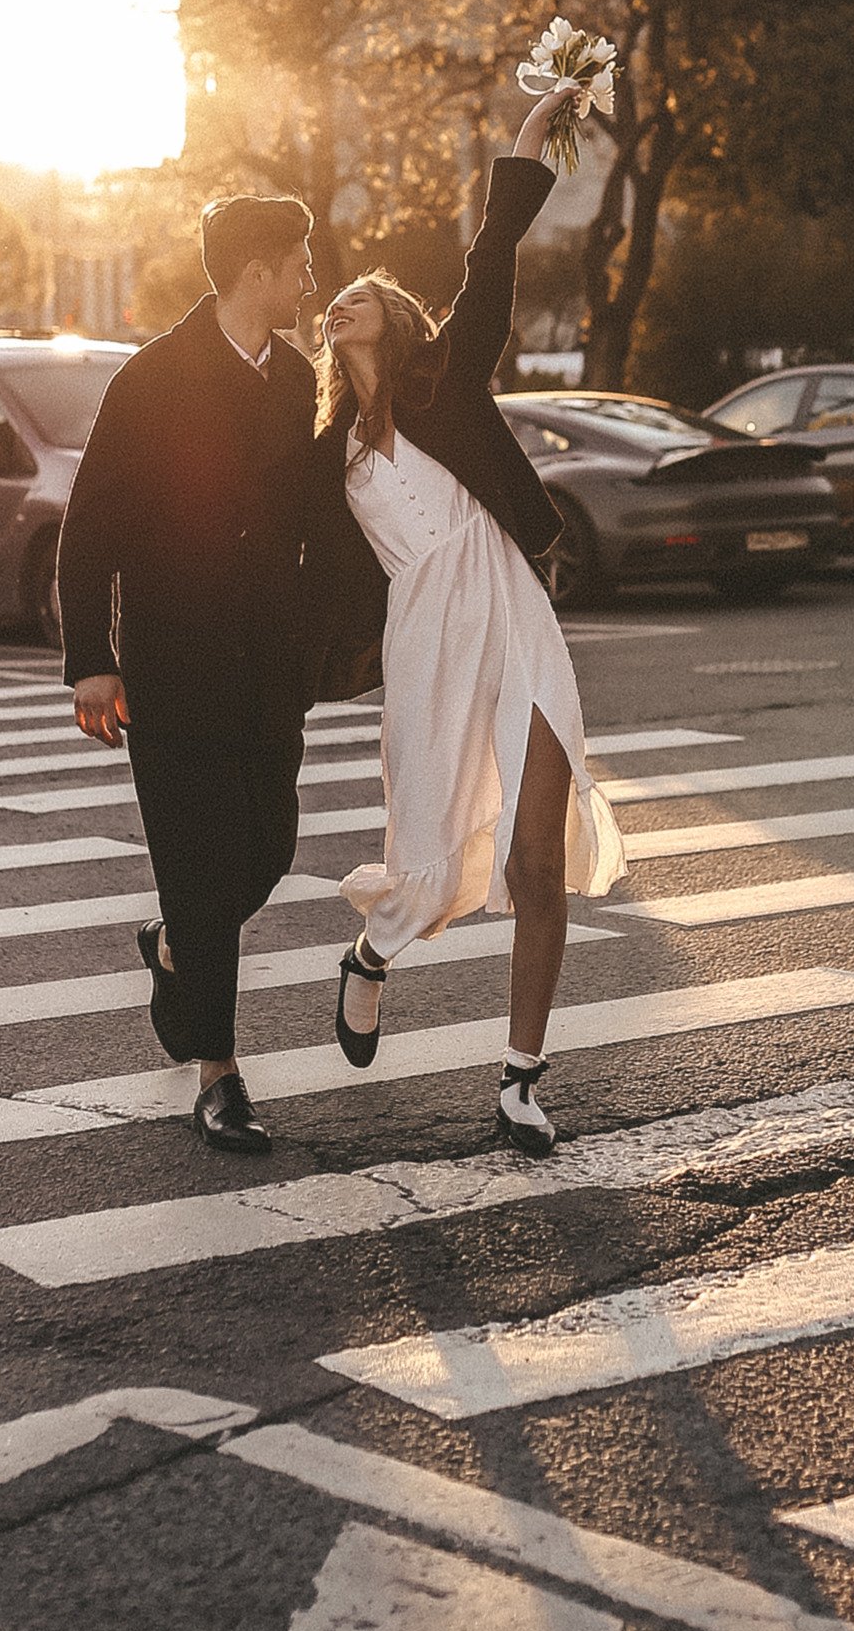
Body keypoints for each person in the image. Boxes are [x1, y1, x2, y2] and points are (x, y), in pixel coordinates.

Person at [309, 79, 625, 1155]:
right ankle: (371, 957)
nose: (338, 300)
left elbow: (491, 254)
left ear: (396, 320)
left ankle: (520, 1083)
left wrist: (532, 132)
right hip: (424, 641)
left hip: (507, 606)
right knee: (434, 859)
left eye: (360, 291)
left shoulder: (446, 381)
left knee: (537, 859)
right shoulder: (323, 458)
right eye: (332, 295)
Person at [59, 194, 317, 1155]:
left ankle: (173, 946)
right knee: (205, 870)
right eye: (298, 261)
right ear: (256, 268)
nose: (309, 279)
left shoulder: (298, 381)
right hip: (172, 673)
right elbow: (90, 529)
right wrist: (92, 660)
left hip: (267, 676)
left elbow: (325, 525)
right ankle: (219, 1077)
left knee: (269, 853)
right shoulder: (152, 380)